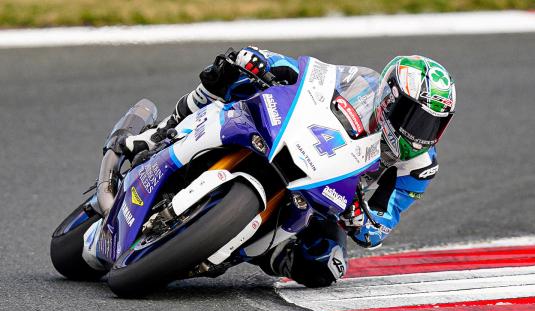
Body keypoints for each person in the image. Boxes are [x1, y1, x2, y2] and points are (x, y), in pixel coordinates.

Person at [124, 46, 456, 288]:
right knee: (232, 74)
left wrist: (359, 219)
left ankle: (260, 251)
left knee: (328, 266)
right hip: (294, 140)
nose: (419, 133)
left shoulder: (418, 168)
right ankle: (159, 133)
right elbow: (312, 76)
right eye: (413, 118)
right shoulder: (359, 87)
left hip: (329, 199)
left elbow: (380, 227)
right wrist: (263, 61)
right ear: (389, 100)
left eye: (431, 125)